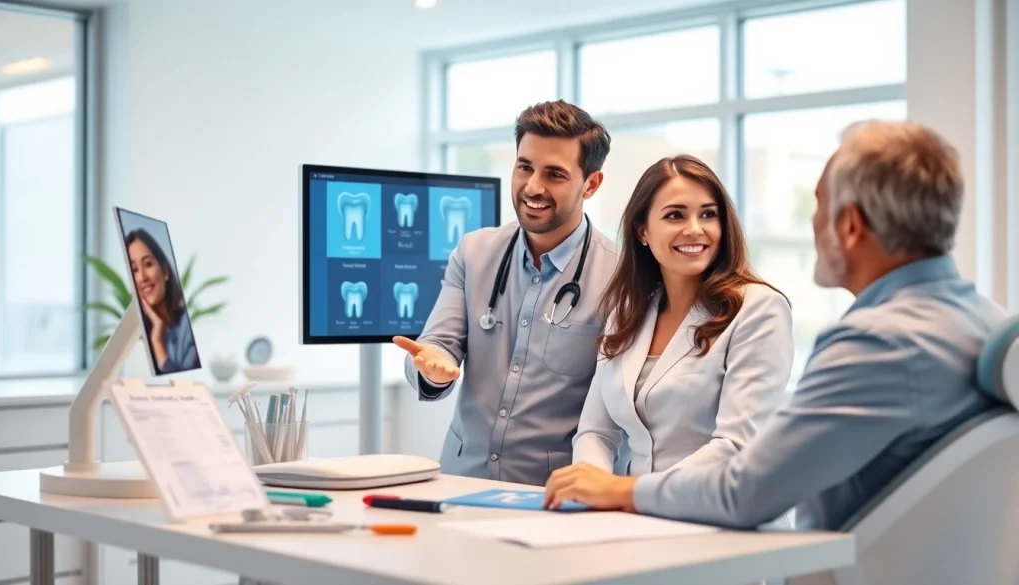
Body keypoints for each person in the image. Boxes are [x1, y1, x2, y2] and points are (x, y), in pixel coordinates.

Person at [544, 119, 1007, 531]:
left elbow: (745, 490)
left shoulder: (877, 343)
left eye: (820, 204)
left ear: (850, 226)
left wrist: (620, 492)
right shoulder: (986, 323)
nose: (811, 220)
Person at [393, 100, 621, 487]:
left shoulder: (620, 276)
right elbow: (437, 345)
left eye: (554, 174)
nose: (533, 187)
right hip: (461, 483)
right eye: (525, 167)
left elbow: (615, 407)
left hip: (552, 494)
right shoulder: (474, 252)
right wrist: (432, 367)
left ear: (591, 183)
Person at [553, 154, 794, 508]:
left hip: (720, 520)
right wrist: (590, 492)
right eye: (675, 215)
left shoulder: (759, 309)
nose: (695, 228)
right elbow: (596, 431)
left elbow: (735, 445)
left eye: (708, 214)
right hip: (637, 520)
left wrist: (623, 493)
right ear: (643, 231)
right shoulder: (628, 311)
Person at [125, 228, 200, 375]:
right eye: (134, 270)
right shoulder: (137, 337)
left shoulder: (187, 330)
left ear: (165, 271)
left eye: (148, 264)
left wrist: (157, 342)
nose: (142, 277)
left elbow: (184, 386)